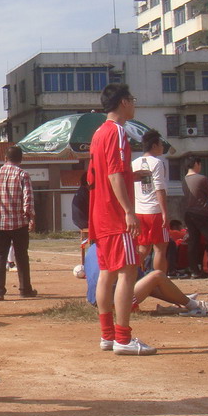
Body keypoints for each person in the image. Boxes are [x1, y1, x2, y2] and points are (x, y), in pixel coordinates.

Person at [87, 83, 155, 355]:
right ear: (124, 102)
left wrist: (131, 176)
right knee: (128, 271)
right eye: (132, 99)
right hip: (115, 214)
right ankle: (123, 338)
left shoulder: (98, 133)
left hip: (100, 213)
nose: (134, 104)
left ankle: (108, 335)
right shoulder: (117, 132)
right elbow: (113, 174)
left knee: (107, 273)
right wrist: (128, 211)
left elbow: (105, 173)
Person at [83, 243, 208, 318]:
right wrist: (142, 254)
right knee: (157, 276)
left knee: (151, 282)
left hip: (97, 301)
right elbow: (132, 277)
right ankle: (193, 305)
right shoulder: (121, 247)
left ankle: (185, 300)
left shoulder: (93, 249)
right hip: (115, 303)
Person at [0, 145, 37, 301]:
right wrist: (31, 217)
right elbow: (28, 199)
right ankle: (25, 289)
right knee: (21, 256)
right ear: (21, 159)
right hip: (19, 223)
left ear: (5, 158)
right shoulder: (23, 174)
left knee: (0, 256)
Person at [132, 129, 170, 274]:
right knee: (160, 248)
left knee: (143, 247)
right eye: (161, 144)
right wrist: (165, 212)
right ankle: (160, 279)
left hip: (139, 211)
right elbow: (159, 188)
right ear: (154, 145)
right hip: (155, 211)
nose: (162, 147)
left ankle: (127, 275)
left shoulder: (134, 163)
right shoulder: (157, 163)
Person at [182, 154, 208, 279]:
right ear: (196, 164)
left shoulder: (184, 180)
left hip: (189, 214)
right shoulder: (202, 179)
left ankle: (194, 270)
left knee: (193, 242)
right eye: (200, 164)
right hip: (202, 213)